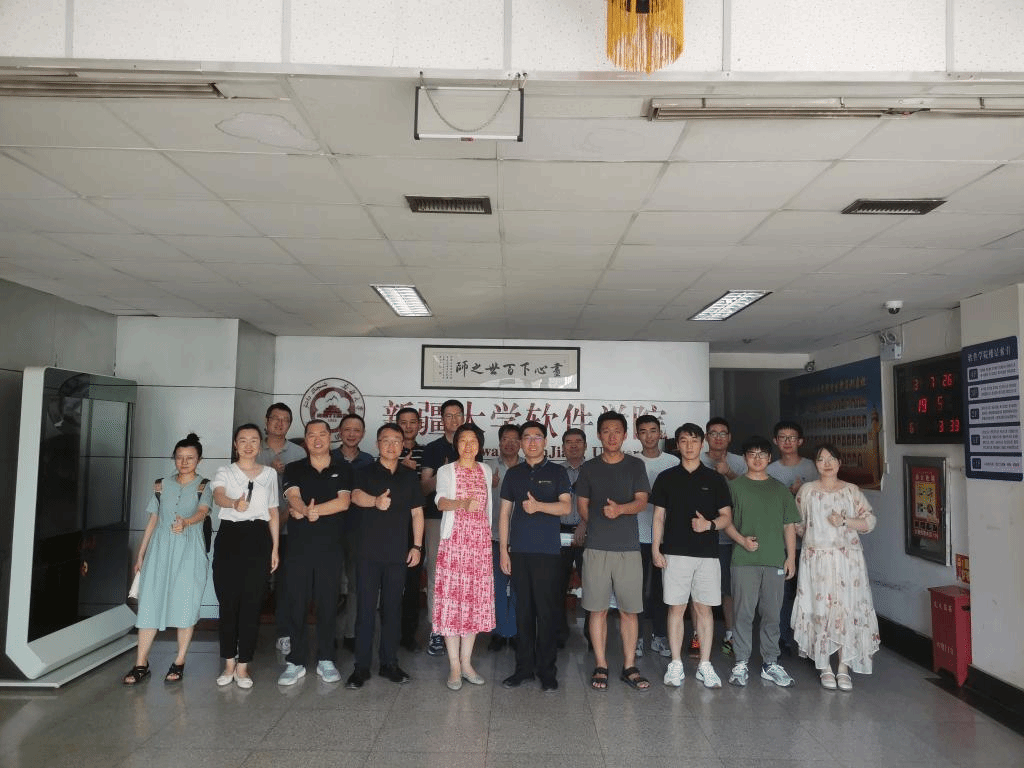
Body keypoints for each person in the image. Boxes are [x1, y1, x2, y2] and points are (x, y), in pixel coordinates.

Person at [123, 433, 212, 685]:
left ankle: (179, 661)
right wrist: (141, 554)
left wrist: (186, 522)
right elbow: (153, 520)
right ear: (174, 458)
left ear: (199, 460)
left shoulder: (204, 486)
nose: (184, 462)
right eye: (180, 457)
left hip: (190, 550)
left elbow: (202, 512)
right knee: (149, 604)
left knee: (186, 604)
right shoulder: (161, 485)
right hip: (159, 549)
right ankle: (141, 664)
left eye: (190, 458)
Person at [651, 423, 732, 689]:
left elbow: (726, 517)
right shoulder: (666, 477)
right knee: (676, 608)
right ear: (677, 445)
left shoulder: (715, 479)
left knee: (704, 608)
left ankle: (705, 664)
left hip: (707, 554)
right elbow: (658, 517)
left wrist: (708, 525)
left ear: (702, 443)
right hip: (674, 553)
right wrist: (655, 549)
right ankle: (675, 664)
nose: (689, 445)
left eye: (694, 440)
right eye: (684, 440)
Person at [793, 443, 879, 691]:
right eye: (821, 459)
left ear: (840, 463)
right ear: (815, 464)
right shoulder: (807, 491)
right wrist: (816, 541)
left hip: (848, 562)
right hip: (816, 561)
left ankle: (843, 667)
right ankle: (824, 667)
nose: (827, 463)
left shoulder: (851, 491)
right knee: (820, 609)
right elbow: (797, 524)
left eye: (832, 459)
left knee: (847, 608)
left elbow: (870, 521)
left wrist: (844, 521)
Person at [576, 411, 651, 692]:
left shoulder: (635, 465)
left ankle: (629, 666)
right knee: (597, 610)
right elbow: (582, 506)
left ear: (625, 435)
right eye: (606, 431)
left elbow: (641, 501)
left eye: (617, 431)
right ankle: (601, 664)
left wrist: (619, 510)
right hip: (596, 547)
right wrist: (597, 523)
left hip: (628, 548)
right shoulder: (589, 468)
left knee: (629, 610)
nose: (611, 436)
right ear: (599, 435)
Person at [346, 423, 425, 688]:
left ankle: (389, 663)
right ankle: (361, 667)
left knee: (392, 610)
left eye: (396, 441)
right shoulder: (364, 471)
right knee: (366, 611)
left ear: (403, 445)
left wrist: (416, 546)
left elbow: (417, 513)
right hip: (367, 553)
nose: (391, 445)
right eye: (386, 440)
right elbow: (355, 496)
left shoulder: (409, 476)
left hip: (397, 554)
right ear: (377, 444)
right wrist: (375, 501)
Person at [277, 419, 352, 686]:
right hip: (299, 547)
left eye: (322, 434)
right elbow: (293, 496)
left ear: (330, 437)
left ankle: (326, 658)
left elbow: (343, 502)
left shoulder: (342, 468)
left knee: (328, 603)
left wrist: (312, 511)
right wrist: (301, 508)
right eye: (311, 435)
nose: (317, 439)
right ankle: (295, 661)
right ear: (305, 440)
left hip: (331, 547)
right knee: (296, 602)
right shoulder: (295, 468)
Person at [498, 421, 571, 691]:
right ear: (520, 443)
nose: (531, 442)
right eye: (526, 437)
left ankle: (547, 671)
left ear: (545, 442)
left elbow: (566, 507)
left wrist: (538, 506)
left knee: (546, 613)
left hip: (547, 553)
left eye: (537, 437)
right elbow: (504, 514)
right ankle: (523, 669)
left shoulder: (557, 472)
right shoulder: (513, 474)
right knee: (524, 612)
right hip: (519, 552)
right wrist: (504, 550)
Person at [725, 436, 799, 688]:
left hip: (774, 560)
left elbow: (789, 525)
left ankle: (770, 662)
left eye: (762, 454)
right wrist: (742, 541)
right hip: (744, 560)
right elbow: (725, 521)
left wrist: (791, 558)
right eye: (752, 454)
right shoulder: (735, 487)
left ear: (769, 458)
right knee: (743, 613)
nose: (757, 459)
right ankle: (741, 662)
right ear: (744, 458)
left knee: (771, 614)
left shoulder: (779, 489)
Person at [211, 423, 280, 688]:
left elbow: (273, 512)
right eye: (243, 440)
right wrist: (233, 503)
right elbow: (218, 496)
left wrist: (275, 548)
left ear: (260, 445)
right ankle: (228, 663)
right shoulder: (225, 471)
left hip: (259, 537)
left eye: (253, 440)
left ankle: (243, 666)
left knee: (252, 604)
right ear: (235, 445)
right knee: (228, 602)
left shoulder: (270, 474)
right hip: (230, 536)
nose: (248, 445)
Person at [432, 422, 495, 689]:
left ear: (479, 445)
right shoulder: (446, 470)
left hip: (479, 545)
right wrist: (462, 504)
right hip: (454, 544)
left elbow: (488, 508)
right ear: (456, 444)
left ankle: (467, 664)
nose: (468, 446)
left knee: (473, 604)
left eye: (473, 441)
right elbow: (439, 502)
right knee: (452, 604)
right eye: (463, 440)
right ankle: (454, 667)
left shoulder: (485, 470)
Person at [256, 403, 307, 657]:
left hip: (289, 528)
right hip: (257, 528)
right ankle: (248, 633)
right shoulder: (254, 448)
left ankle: (284, 633)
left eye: (285, 419)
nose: (279, 423)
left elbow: (304, 489)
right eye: (275, 418)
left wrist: (285, 516)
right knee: (255, 581)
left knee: (286, 583)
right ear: (266, 421)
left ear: (289, 424)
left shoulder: (298, 453)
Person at [767, 420, 818, 656]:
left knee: (810, 592)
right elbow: (767, 506)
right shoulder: (770, 470)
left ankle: (809, 643)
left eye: (792, 437)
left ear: (800, 441)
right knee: (783, 594)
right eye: (782, 437)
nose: (787, 442)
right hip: (781, 544)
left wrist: (802, 494)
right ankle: (783, 639)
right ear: (775, 441)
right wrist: (790, 494)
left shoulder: (813, 468)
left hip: (811, 543)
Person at [420, 399, 465, 656]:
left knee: (462, 575)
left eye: (458, 415)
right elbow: (424, 487)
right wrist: (444, 472)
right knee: (437, 575)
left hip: (465, 521)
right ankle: (437, 629)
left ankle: (458, 627)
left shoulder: (471, 444)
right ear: (441, 419)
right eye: (448, 415)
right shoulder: (432, 449)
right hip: (437, 518)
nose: (454, 420)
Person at [701, 416, 746, 656]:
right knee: (699, 589)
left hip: (731, 537)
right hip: (699, 536)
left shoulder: (741, 462)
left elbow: (751, 492)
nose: (718, 437)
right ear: (706, 437)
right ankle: (698, 634)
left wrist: (729, 473)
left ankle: (730, 634)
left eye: (722, 433)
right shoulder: (696, 459)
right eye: (713, 433)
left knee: (729, 589)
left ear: (729, 438)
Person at [332, 412, 375, 653]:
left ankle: (351, 633)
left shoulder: (369, 461)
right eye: (347, 429)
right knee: (329, 583)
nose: (351, 434)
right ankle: (328, 635)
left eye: (356, 430)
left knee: (356, 584)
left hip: (359, 530)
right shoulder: (329, 457)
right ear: (339, 432)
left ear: (363, 434)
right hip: (330, 530)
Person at [634, 415, 677, 659]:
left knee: (663, 589)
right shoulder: (631, 462)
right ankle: (637, 638)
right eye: (643, 431)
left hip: (666, 537)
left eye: (653, 430)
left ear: (660, 433)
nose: (649, 436)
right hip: (637, 534)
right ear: (637, 435)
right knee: (637, 589)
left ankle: (660, 637)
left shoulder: (673, 462)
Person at [487, 423, 521, 652]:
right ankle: (499, 632)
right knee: (496, 588)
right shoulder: (488, 468)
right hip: (494, 536)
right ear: (499, 442)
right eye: (505, 439)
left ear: (521, 443)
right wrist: (488, 486)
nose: (510, 443)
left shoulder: (528, 467)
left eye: (514, 439)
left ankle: (514, 630)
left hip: (521, 538)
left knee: (519, 587)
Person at [396, 406, 426, 652]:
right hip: (389, 526)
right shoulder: (386, 451)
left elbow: (425, 490)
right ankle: (390, 631)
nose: (408, 426)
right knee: (391, 580)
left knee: (412, 581)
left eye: (412, 422)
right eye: (403, 422)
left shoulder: (427, 452)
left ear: (419, 425)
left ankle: (408, 634)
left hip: (416, 523)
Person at [557, 428, 587, 649]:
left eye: (578, 441)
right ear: (563, 447)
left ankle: (592, 634)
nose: (574, 445)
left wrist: (584, 524)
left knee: (593, 585)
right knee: (557, 585)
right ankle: (559, 634)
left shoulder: (595, 469)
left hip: (589, 533)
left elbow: (600, 501)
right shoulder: (556, 471)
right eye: (569, 442)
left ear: (585, 445)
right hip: (559, 532)